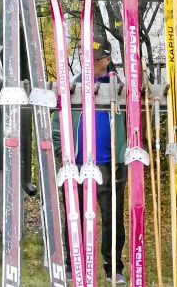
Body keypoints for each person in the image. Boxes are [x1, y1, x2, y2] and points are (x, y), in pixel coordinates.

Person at [54, 35, 128, 284]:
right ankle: (73, 264)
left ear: (106, 59)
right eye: (85, 58)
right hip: (75, 164)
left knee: (112, 218)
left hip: (110, 163)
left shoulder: (120, 87)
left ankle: (113, 268)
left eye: (93, 59)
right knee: (74, 216)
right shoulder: (71, 85)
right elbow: (58, 120)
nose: (87, 63)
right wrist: (59, 148)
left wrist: (126, 153)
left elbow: (135, 123)